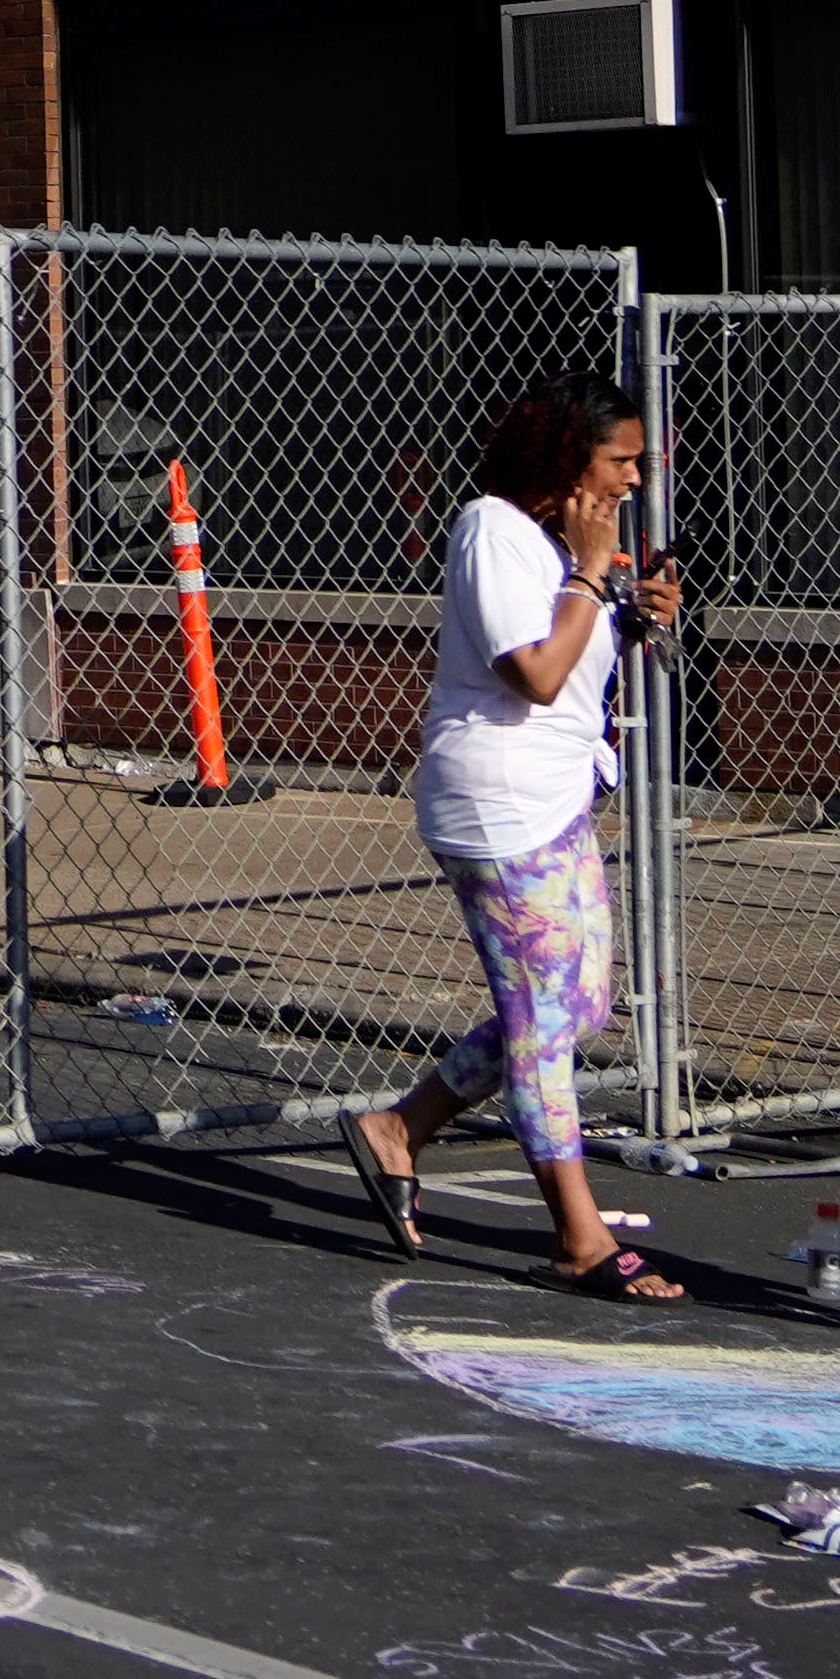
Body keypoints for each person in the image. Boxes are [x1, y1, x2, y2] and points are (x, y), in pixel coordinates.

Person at [335, 372, 687, 1297]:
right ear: (569, 456)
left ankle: (400, 1128)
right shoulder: (492, 528)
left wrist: (627, 608)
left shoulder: (566, 546)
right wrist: (586, 572)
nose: (633, 479)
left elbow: (572, 656)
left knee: (579, 1007)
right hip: (494, 801)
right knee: (541, 1024)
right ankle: (579, 1235)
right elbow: (531, 670)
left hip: (556, 795)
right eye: (620, 459)